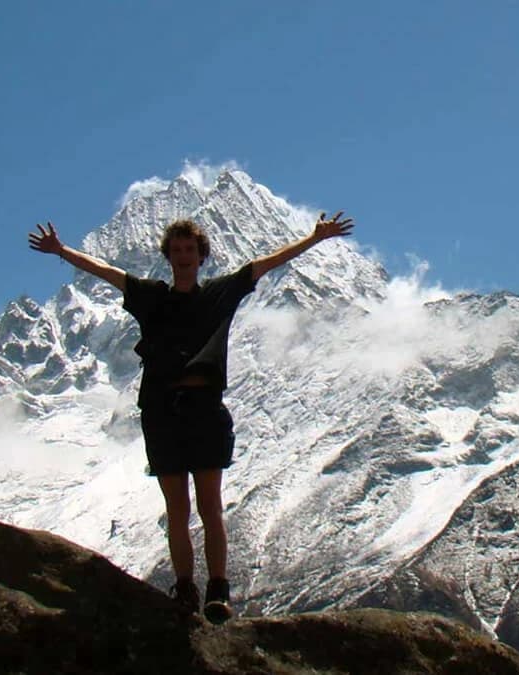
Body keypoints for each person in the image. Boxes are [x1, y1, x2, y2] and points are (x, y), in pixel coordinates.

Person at [28, 211, 354, 622]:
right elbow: (107, 272)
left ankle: (218, 590)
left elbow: (266, 264)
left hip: (203, 408)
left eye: (190, 250)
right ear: (168, 256)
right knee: (177, 509)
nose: (184, 256)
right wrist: (61, 251)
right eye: (177, 250)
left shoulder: (219, 294)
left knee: (210, 506)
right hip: (162, 412)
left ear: (202, 256)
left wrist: (314, 239)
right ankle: (185, 588)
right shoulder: (152, 296)